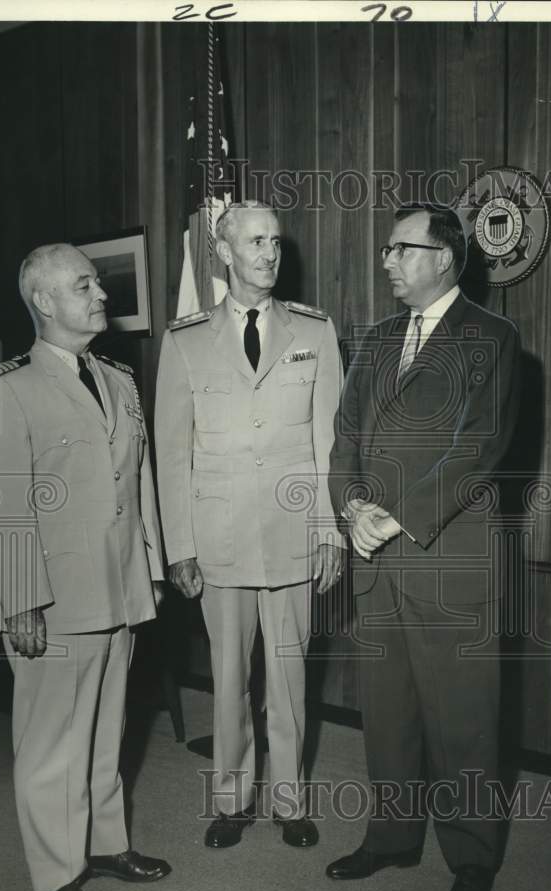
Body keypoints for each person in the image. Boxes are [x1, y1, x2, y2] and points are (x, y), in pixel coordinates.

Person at [326, 204, 520, 891]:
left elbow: (478, 447)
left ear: (444, 257)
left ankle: (471, 857)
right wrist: (350, 507)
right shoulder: (375, 339)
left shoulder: (492, 338)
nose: (387, 261)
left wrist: (394, 516)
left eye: (401, 249)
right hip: (373, 559)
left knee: (463, 720)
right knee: (387, 712)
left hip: (445, 558)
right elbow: (345, 435)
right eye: (386, 249)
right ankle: (391, 837)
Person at [0, 243, 171, 891]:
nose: (100, 295)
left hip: (117, 589)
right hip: (53, 600)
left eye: (96, 282)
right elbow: (4, 501)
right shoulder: (9, 387)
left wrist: (149, 565)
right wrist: (22, 598)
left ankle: (107, 844)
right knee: (51, 741)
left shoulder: (117, 378)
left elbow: (135, 482)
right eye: (84, 285)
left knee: (105, 730)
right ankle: (56, 874)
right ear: (45, 302)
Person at [155, 201, 344, 849]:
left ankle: (289, 800)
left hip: (294, 537)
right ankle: (231, 799)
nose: (269, 253)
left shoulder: (315, 332)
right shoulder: (183, 340)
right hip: (219, 543)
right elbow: (172, 454)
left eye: (276, 242)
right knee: (228, 678)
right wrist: (179, 547)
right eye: (255, 241)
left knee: (289, 680)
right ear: (224, 253)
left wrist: (329, 529)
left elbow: (329, 445)